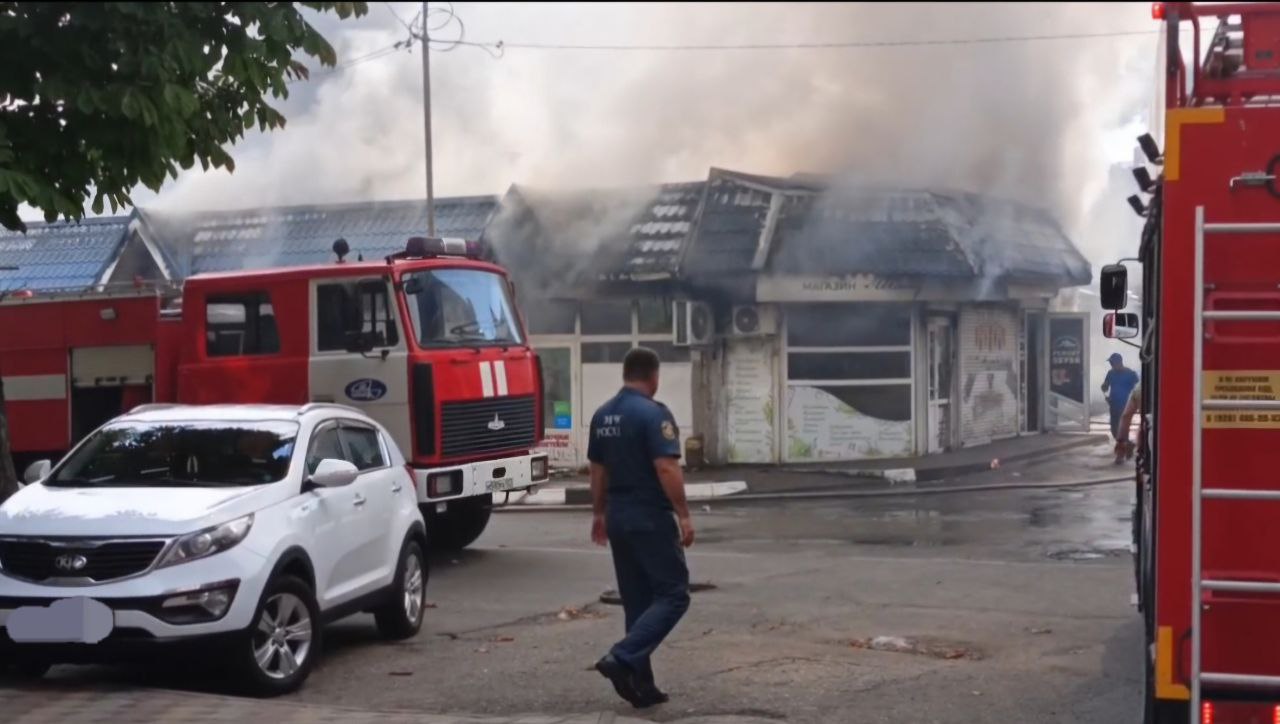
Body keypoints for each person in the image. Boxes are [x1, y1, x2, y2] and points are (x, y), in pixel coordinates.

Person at [587, 346, 694, 709]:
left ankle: (640, 684)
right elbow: (666, 467)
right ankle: (623, 656)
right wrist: (684, 514)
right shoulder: (653, 414)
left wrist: (599, 513)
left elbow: (597, 471)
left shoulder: (603, 416)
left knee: (637, 602)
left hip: (617, 514)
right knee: (674, 594)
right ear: (654, 376)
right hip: (649, 515)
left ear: (625, 373)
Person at [1101, 353, 1139, 444]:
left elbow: (1138, 387)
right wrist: (1104, 388)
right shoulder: (1110, 373)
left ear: (1119, 362)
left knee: (1123, 424)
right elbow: (1105, 386)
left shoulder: (1130, 373)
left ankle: (1124, 442)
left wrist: (1136, 401)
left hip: (1126, 403)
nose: (1112, 365)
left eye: (1112, 363)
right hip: (1113, 403)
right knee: (1114, 427)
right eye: (1111, 363)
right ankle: (1122, 442)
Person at [1114, 382, 1140, 465]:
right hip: (1138, 391)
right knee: (1146, 421)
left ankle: (1121, 450)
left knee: (1126, 417)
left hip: (1138, 391)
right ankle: (1122, 448)